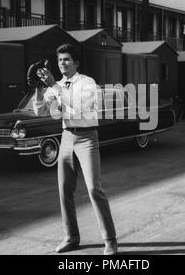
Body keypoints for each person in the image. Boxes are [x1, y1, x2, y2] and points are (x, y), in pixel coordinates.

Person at [30, 43, 117, 255]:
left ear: (76, 62)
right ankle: (71, 237)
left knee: (94, 188)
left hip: (87, 138)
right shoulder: (55, 85)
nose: (62, 63)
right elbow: (40, 111)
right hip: (67, 137)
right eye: (59, 60)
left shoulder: (87, 82)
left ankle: (110, 240)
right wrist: (40, 89)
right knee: (64, 190)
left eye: (67, 59)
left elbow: (79, 108)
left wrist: (55, 87)